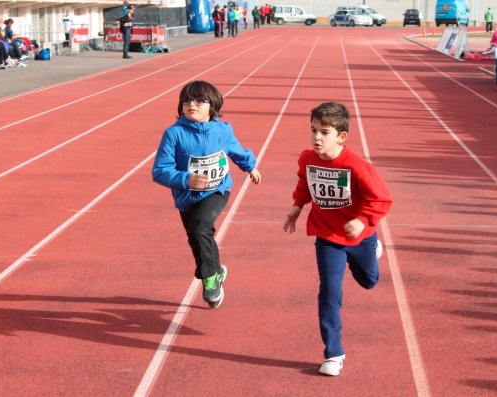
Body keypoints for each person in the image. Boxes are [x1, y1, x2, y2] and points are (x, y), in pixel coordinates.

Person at [283, 102, 392, 377]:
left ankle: (374, 250)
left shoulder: (357, 166)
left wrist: (362, 221)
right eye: (313, 130)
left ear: (341, 136)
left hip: (360, 236)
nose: (317, 137)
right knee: (330, 290)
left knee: (369, 281)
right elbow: (304, 183)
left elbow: (382, 199)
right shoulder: (307, 158)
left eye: (325, 132)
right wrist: (298, 207)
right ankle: (334, 353)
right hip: (327, 235)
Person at [152, 80, 262, 308]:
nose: (192, 104)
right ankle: (217, 270)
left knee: (200, 228)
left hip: (217, 189)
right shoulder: (174, 134)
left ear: (213, 106)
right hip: (186, 196)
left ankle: (210, 280)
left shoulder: (222, 130)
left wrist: (250, 166)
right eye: (187, 100)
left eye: (200, 101)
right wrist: (186, 179)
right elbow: (160, 171)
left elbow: (236, 149)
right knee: (196, 238)